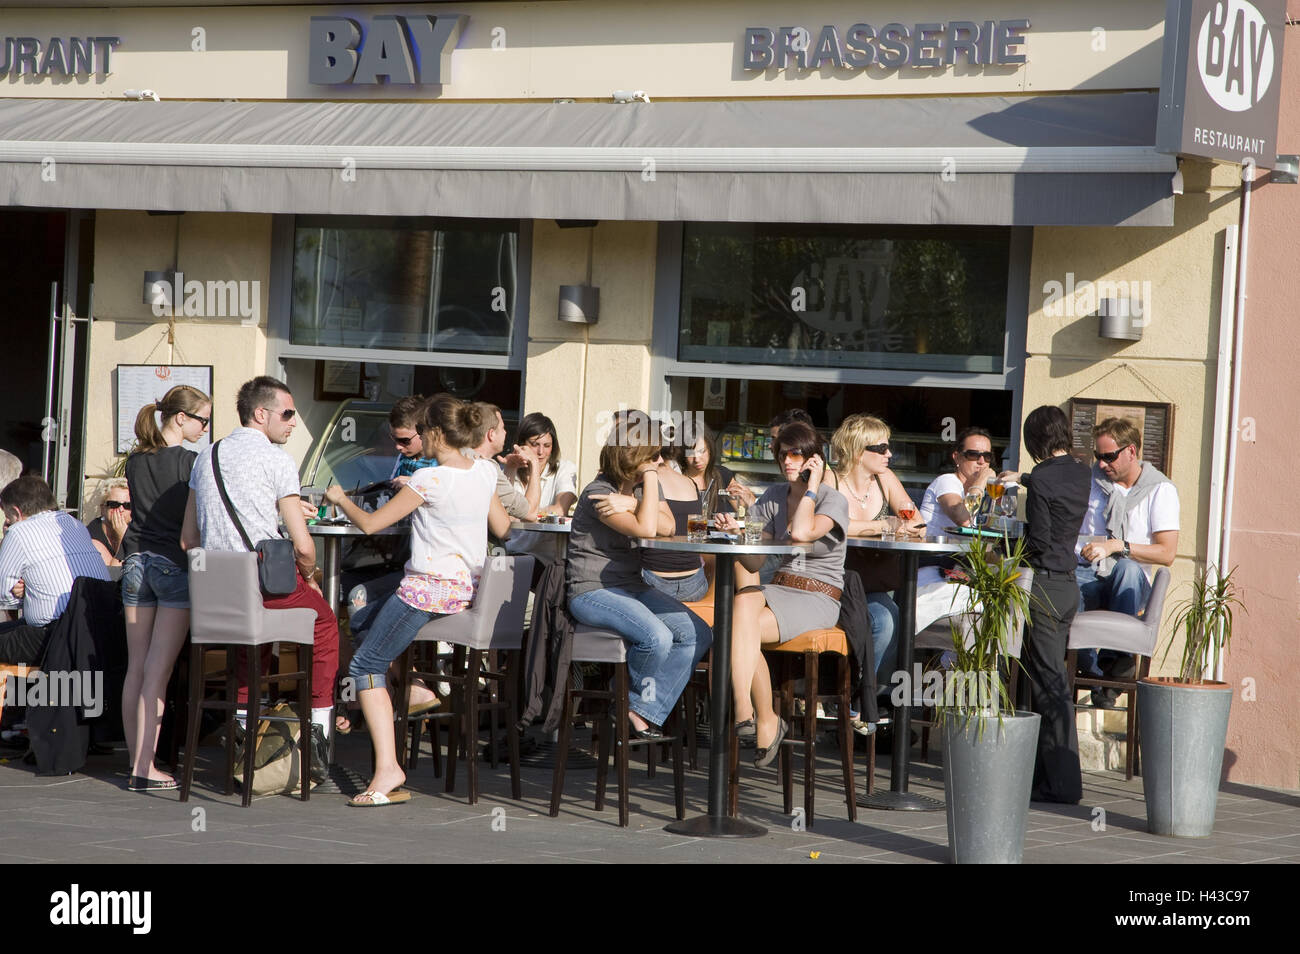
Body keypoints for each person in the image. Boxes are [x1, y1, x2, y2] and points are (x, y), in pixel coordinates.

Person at [324, 395, 512, 806]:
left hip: (427, 589)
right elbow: (503, 526)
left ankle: (389, 765)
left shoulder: (428, 480)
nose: (419, 439)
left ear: (438, 434)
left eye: (423, 431)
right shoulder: (484, 471)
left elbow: (371, 524)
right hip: (464, 589)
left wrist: (340, 500)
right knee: (364, 612)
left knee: (364, 663)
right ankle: (408, 690)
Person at [181, 376, 340, 780]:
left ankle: (241, 726)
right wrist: (313, 576)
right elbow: (303, 547)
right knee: (325, 624)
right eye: (287, 414)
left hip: (215, 590)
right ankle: (318, 733)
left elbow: (188, 539)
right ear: (260, 413)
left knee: (252, 642)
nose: (292, 423)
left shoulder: (207, 456)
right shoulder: (277, 461)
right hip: (262, 582)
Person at [565, 411, 712, 740]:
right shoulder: (598, 493)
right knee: (656, 638)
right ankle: (626, 703)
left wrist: (632, 502)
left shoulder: (630, 494)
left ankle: (637, 708)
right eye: (653, 456)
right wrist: (645, 484)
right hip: (592, 589)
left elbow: (669, 526)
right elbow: (648, 527)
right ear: (635, 458)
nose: (660, 461)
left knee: (698, 633)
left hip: (631, 585)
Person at [718, 421, 849, 767]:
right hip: (779, 588)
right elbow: (753, 561)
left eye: (796, 454)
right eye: (782, 454)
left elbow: (803, 532)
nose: (787, 461)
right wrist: (742, 533)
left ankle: (755, 716)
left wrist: (812, 488)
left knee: (739, 621)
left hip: (818, 597)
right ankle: (753, 714)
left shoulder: (832, 500)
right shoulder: (774, 497)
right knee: (740, 617)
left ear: (813, 459)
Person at [119, 384, 212, 791]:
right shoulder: (192, 463)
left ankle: (135, 760)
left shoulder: (136, 461)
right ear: (180, 418)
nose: (205, 429)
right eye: (202, 420)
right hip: (174, 566)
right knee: (159, 670)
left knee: (136, 667)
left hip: (136, 561)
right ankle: (145, 767)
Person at [1075, 417, 1179, 705]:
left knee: (1128, 568)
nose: (1102, 464)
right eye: (1098, 456)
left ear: (1131, 451)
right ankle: (1100, 674)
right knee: (1060, 585)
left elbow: (1167, 553)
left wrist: (1118, 546)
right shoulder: (1092, 483)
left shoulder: (1160, 489)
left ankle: (1112, 663)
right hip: (1090, 574)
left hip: (1129, 586)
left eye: (1109, 456)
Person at [830, 414, 925, 728]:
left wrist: (904, 525)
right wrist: (883, 525)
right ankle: (851, 696)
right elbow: (834, 525)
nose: (889, 454)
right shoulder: (831, 481)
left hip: (872, 584)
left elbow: (917, 521)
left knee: (890, 618)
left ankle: (859, 695)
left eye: (889, 447)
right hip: (834, 582)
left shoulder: (885, 478)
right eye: (881, 447)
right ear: (859, 452)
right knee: (883, 620)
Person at [1016, 406, 1091, 804]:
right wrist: (1026, 479)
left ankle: (1063, 785)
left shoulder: (1042, 478)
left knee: (1050, 686)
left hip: (1043, 587)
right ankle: (1043, 779)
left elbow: (1040, 541)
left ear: (1034, 440)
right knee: (1049, 682)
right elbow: (1057, 493)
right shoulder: (1082, 470)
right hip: (1068, 587)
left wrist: (1009, 548)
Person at [0, 476, 110, 663]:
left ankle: (19, 692)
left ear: (16, 513)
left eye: (8, 518)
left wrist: (24, 593)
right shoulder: (76, 525)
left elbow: (4, 596)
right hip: (98, 631)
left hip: (57, 637)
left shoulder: (19, 531)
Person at [919, 426, 996, 537]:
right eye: (973, 454)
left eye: (987, 456)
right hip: (936, 552)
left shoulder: (984, 490)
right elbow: (963, 519)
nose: (982, 461)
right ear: (957, 457)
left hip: (964, 552)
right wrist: (981, 481)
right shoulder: (946, 481)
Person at [468, 402, 532, 521]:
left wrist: (510, 468)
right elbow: (530, 513)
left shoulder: (460, 457)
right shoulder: (485, 467)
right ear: (491, 434)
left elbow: (503, 505)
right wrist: (534, 463)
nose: (505, 432)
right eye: (502, 428)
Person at [677, 419, 753, 512]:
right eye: (690, 453)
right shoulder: (677, 478)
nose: (697, 459)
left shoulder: (722, 475)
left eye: (702, 451)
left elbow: (743, 512)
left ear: (710, 449)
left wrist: (748, 500)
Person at [388, 394, 438, 487]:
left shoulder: (442, 460)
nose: (398, 446)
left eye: (404, 441)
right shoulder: (404, 457)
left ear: (424, 432)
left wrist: (415, 483)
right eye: (394, 439)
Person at [87, 478, 132, 566]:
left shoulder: (138, 531)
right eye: (114, 504)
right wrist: (123, 539)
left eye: (127, 505)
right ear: (103, 509)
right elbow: (114, 574)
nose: (121, 509)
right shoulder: (92, 536)